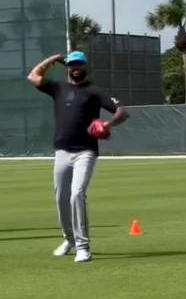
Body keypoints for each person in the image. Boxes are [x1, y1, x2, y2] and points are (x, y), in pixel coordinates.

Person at [27, 51, 129, 263]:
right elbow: (33, 76)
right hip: (62, 151)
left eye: (79, 64)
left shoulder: (94, 91)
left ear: (85, 67)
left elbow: (122, 111)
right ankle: (69, 239)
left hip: (85, 151)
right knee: (60, 198)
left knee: (77, 195)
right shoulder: (58, 88)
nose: (75, 68)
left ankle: (83, 247)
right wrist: (52, 60)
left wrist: (107, 124)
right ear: (68, 68)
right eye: (72, 64)